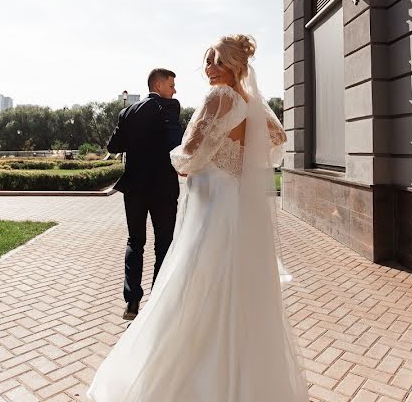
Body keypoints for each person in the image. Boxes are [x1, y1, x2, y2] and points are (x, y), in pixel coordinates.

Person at [88, 35, 309, 402]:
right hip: (236, 203)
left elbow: (188, 153)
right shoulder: (252, 102)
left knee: (194, 279)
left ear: (234, 66)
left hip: (211, 201)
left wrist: (194, 163)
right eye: (207, 61)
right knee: (233, 281)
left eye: (217, 62)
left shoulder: (219, 97)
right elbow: (278, 136)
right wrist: (239, 156)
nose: (209, 69)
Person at [106, 68, 182, 320]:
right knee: (164, 244)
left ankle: (132, 303)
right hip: (163, 188)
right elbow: (176, 142)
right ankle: (157, 301)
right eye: (171, 85)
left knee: (134, 242)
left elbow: (113, 146)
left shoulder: (127, 112)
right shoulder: (171, 107)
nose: (174, 90)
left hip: (135, 189)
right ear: (158, 85)